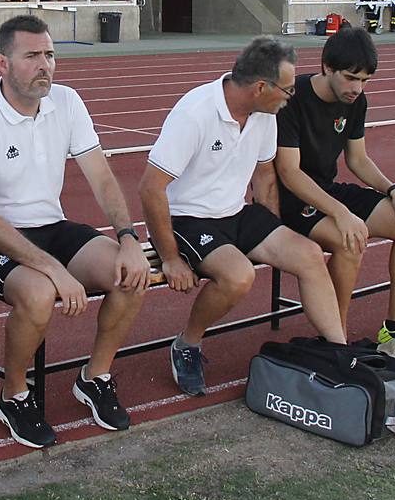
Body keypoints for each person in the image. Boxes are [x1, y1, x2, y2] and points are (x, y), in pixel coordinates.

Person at [0, 15, 150, 448]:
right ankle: (14, 394)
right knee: (40, 293)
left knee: (131, 275)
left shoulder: (68, 101)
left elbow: (100, 176)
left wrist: (129, 238)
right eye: (33, 56)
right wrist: (55, 271)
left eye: (50, 55)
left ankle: (94, 377)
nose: (46, 65)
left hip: (51, 226)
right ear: (2, 63)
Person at [140, 37, 347, 397]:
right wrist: (171, 258)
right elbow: (150, 188)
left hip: (236, 212)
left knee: (310, 255)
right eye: (287, 89)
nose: (291, 97)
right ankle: (187, 344)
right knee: (239, 277)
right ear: (259, 87)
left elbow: (265, 176)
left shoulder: (265, 114)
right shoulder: (195, 113)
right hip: (189, 218)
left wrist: (272, 229)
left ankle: (339, 353)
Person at [273, 28, 395, 365]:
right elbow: (290, 173)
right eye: (350, 78)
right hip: (293, 199)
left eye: (364, 80)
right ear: (327, 68)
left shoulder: (356, 101)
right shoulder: (292, 97)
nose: (357, 88)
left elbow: (357, 159)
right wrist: (341, 214)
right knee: (350, 240)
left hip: (328, 192)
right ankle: (337, 339)